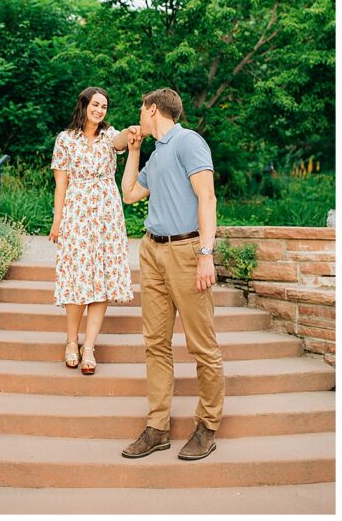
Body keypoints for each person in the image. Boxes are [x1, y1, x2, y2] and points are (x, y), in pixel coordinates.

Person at [120, 88, 223, 461]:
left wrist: (206, 255)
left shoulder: (187, 142)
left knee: (201, 345)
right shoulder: (157, 151)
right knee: (156, 343)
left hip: (186, 250)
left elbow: (207, 198)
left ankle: (207, 426)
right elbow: (130, 193)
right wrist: (132, 152)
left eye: (140, 110)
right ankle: (158, 427)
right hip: (152, 250)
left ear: (152, 109)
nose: (138, 118)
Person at [49, 87, 137, 374]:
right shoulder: (65, 140)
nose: (100, 110)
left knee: (102, 280)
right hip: (76, 212)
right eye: (95, 105)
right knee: (76, 279)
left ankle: (89, 347)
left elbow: (122, 141)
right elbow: (60, 184)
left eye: (104, 107)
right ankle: (71, 341)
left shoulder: (110, 136)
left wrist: (134, 130)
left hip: (107, 215)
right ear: (84, 105)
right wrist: (57, 221)